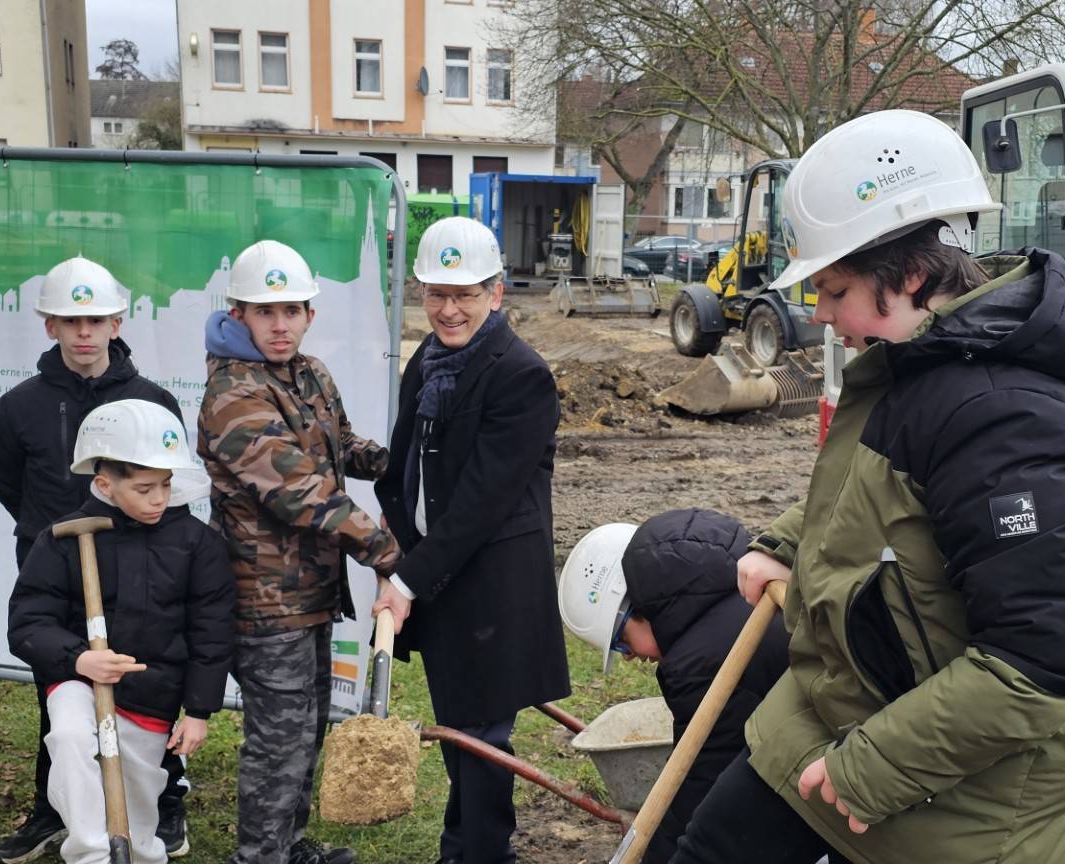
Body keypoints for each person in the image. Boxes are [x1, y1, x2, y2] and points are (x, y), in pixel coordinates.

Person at [668, 109, 1065, 864]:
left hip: (961, 789)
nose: (821, 315)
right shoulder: (926, 366)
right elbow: (880, 496)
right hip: (853, 698)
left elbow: (1039, 663)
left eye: (835, 289)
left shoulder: (1008, 419)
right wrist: (786, 542)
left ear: (914, 276)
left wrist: (871, 771)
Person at [371, 215, 570, 864]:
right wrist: (391, 547)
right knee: (463, 726)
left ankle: (480, 853)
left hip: (492, 585)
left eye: (465, 295)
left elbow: (480, 505)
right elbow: (405, 469)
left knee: (482, 733)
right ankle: (471, 849)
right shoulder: (426, 364)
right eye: (436, 294)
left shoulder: (520, 376)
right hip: (438, 575)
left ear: (497, 293)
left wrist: (406, 578)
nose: (449, 310)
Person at [0, 256, 192, 863]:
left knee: (149, 689)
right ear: (49, 325)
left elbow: (169, 486)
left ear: (117, 322)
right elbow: (9, 485)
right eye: (70, 320)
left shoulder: (152, 401)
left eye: (96, 319)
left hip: (142, 577)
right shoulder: (19, 406)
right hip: (57, 584)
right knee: (63, 701)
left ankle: (165, 799)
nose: (83, 333)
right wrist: (51, 544)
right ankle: (55, 813)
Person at [199, 239, 396, 864]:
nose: (279, 325)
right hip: (264, 602)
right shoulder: (233, 394)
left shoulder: (309, 373)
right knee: (277, 742)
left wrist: (400, 465)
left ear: (310, 313)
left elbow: (339, 447)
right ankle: (259, 856)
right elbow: (300, 492)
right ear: (239, 315)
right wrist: (386, 550)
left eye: (291, 310)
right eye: (264, 312)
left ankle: (291, 844)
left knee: (307, 727)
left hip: (309, 591)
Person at [9, 399, 235, 864]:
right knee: (71, 738)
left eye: (167, 486)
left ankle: (141, 856)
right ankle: (92, 855)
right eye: (145, 488)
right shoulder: (66, 539)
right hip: (81, 680)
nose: (159, 499)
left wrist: (199, 710)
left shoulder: (197, 544)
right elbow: (28, 620)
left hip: (153, 690)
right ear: (104, 484)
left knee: (137, 801)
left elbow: (212, 629)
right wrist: (77, 659)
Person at [557, 510, 791, 864]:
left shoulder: (697, 666)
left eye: (621, 643)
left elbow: (699, 786)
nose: (631, 657)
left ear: (638, 608)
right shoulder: (731, 586)